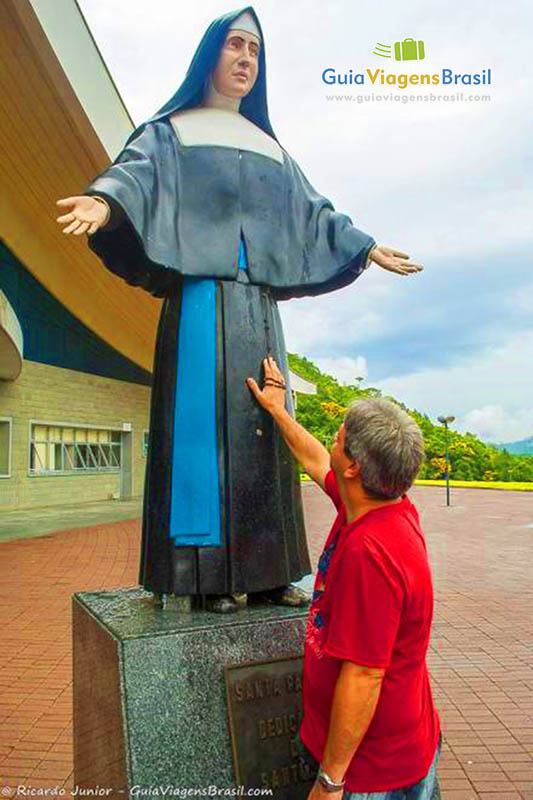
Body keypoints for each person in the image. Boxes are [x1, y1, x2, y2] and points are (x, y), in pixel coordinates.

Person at [56, 7, 423, 613]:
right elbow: (135, 175)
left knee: (264, 427)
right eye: (234, 45)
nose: (247, 58)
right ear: (209, 56)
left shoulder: (269, 148)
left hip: (258, 309)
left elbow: (315, 213)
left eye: (255, 48)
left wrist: (365, 246)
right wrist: (105, 202)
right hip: (201, 301)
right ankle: (205, 575)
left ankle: (269, 568)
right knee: (205, 432)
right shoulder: (171, 131)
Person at [248, 358, 441, 799]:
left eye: (339, 438)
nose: (331, 441)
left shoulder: (372, 554)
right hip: (393, 745)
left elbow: (364, 676)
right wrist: (278, 410)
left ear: (354, 468)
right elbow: (317, 459)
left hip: (374, 771)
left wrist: (331, 781)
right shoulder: (374, 505)